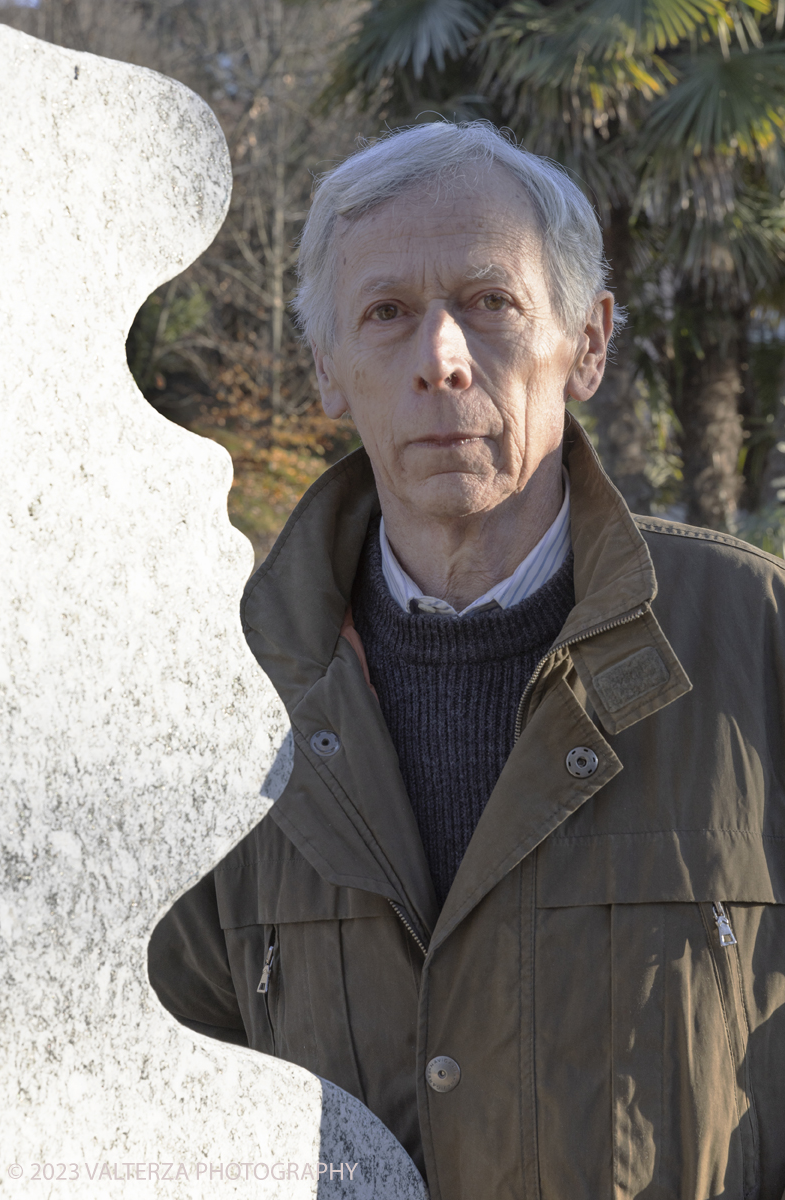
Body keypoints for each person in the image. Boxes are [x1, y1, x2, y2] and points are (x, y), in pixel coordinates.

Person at [148, 122, 785, 1199]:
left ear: (586, 343)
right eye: (385, 313)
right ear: (327, 371)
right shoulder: (215, 689)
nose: (440, 359)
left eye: (489, 304)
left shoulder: (754, 642)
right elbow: (160, 1087)